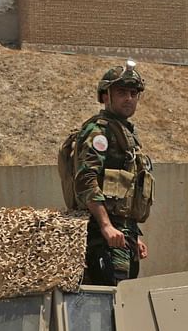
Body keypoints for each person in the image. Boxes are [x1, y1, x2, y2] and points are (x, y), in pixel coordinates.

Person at [73, 60, 155, 286]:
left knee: (124, 296)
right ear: (105, 96)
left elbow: (125, 191)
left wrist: (134, 234)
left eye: (133, 93)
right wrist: (106, 226)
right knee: (109, 296)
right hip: (103, 235)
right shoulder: (98, 131)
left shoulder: (125, 134)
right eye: (121, 92)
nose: (129, 98)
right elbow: (86, 180)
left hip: (124, 234)